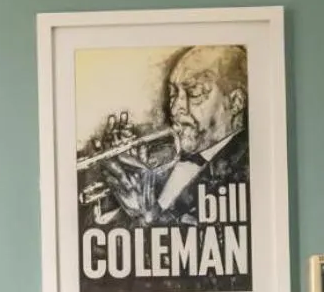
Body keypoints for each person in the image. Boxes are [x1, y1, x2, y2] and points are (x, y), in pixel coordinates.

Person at [92, 45, 248, 228]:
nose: (175, 108)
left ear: (236, 102)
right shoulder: (164, 159)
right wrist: (118, 183)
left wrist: (147, 214)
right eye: (173, 93)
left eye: (194, 93)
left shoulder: (248, 171)